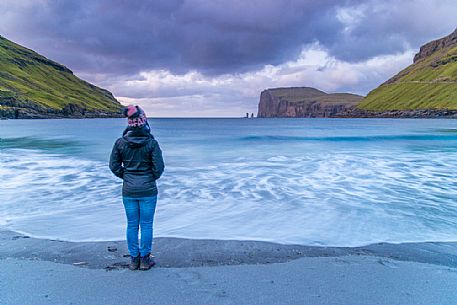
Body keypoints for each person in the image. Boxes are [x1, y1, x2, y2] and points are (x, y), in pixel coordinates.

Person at [109, 105, 164, 271]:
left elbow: (114, 166)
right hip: (148, 190)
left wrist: (126, 177)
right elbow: (159, 168)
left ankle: (134, 260)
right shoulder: (151, 143)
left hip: (129, 190)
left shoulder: (120, 143)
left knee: (132, 224)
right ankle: (145, 260)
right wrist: (149, 178)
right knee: (146, 225)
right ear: (144, 122)